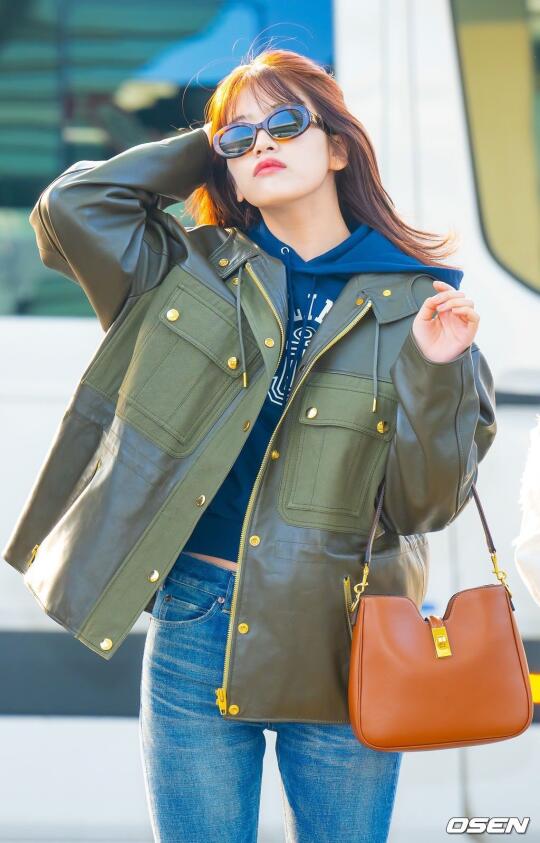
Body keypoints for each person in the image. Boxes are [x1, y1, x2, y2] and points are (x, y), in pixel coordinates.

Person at [4, 47, 496, 843]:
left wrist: (436, 373)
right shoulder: (185, 268)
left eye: (287, 124)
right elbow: (73, 206)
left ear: (339, 147)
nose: (263, 142)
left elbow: (424, 505)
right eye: (240, 136)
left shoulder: (422, 305)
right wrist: (215, 145)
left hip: (348, 633)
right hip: (197, 617)